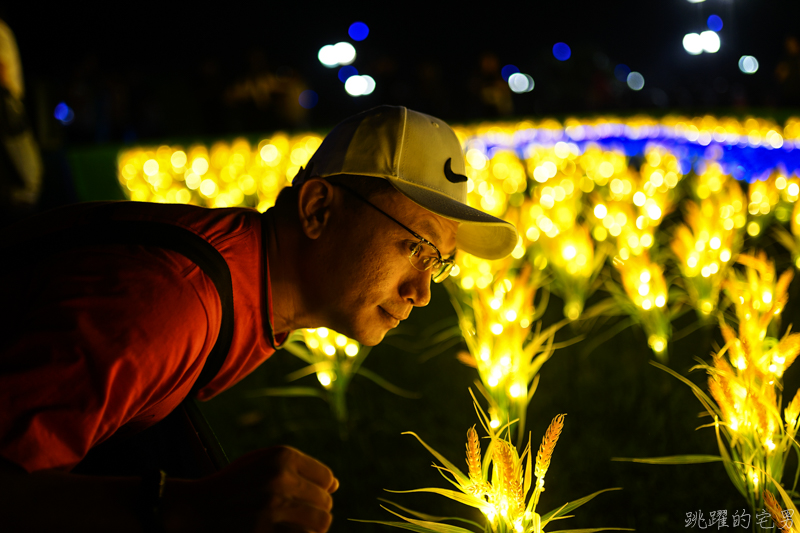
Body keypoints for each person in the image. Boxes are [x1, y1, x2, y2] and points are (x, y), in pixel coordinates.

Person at [0, 105, 518, 532]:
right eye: (417, 247)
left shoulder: (252, 283)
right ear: (318, 209)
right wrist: (187, 507)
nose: (424, 293)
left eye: (440, 264)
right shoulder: (177, 302)